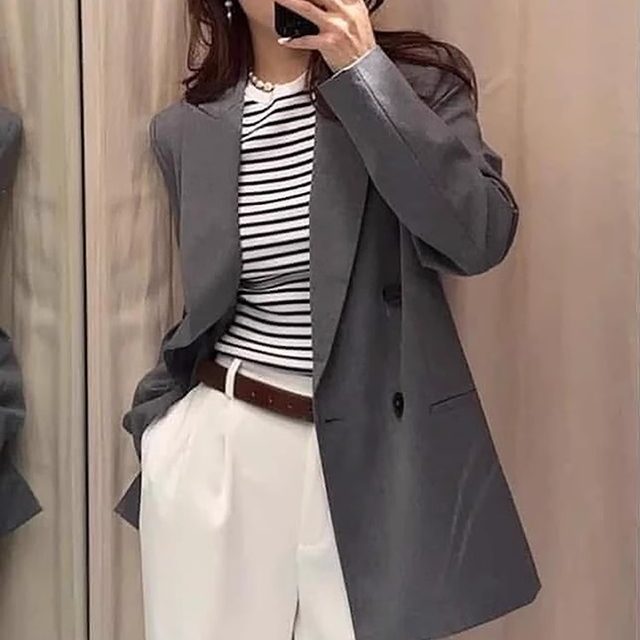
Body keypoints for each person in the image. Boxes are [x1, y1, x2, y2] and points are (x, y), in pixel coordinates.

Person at [116, 0, 541, 638]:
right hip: (221, 450)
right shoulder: (186, 128)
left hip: (372, 456)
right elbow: (204, 303)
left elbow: (478, 237)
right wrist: (162, 432)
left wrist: (362, 72)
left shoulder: (418, 85)